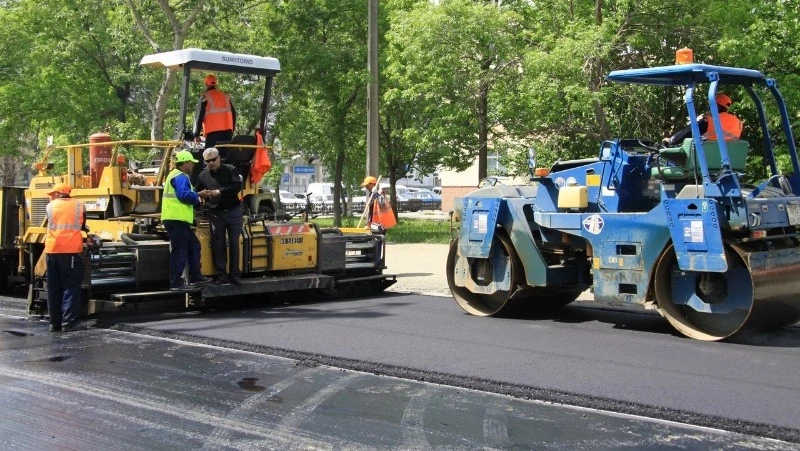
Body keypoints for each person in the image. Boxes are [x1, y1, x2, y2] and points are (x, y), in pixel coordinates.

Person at [162, 150, 213, 291]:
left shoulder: (176, 175)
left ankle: (196, 277)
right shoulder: (180, 176)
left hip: (178, 219)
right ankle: (176, 283)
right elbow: (184, 196)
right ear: (185, 163)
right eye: (191, 163)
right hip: (176, 219)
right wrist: (198, 195)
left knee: (193, 246)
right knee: (180, 251)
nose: (193, 166)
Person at [196, 147, 243, 285]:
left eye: (213, 160)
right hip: (216, 214)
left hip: (233, 211)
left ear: (219, 158)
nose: (211, 163)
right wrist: (202, 195)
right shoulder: (203, 175)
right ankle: (221, 276)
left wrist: (219, 192)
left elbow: (236, 186)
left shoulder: (230, 169)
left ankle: (234, 276)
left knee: (234, 243)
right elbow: (198, 190)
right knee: (218, 245)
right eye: (207, 161)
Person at [44, 183, 87, 332]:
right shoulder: (79, 205)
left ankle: (54, 323)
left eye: (53, 193)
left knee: (53, 287)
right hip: (70, 251)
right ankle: (68, 323)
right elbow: (82, 226)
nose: (52, 196)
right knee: (71, 286)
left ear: (60, 193)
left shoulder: (50, 207)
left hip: (52, 250)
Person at [664, 93, 743, 146]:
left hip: (706, 160)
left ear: (716, 106)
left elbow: (688, 132)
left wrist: (672, 140)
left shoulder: (710, 121)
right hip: (730, 160)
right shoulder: (739, 123)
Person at [192, 74, 237, 150]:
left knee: (209, 157)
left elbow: (199, 116)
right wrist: (232, 130)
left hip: (213, 134)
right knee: (224, 157)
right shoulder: (226, 97)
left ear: (206, 84)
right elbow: (234, 114)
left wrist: (196, 134)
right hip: (227, 133)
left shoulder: (205, 97)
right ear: (216, 84)